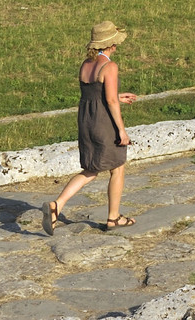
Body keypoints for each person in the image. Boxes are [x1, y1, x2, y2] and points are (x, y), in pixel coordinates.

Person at [45, 21, 138, 233]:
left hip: (86, 121)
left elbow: (94, 95)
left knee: (91, 169)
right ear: (111, 44)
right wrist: (122, 131)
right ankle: (113, 218)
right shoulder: (110, 66)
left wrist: (118, 96)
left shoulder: (86, 65)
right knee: (118, 167)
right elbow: (110, 102)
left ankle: (56, 205)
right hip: (104, 123)